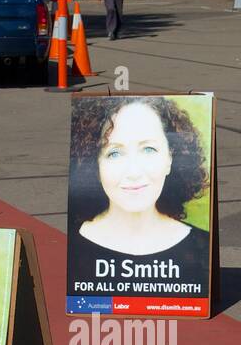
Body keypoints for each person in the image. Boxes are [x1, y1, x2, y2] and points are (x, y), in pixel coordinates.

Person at [66, 97, 210, 290]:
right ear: (95, 165)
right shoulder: (71, 250)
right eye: (114, 153)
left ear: (170, 158)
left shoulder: (204, 250)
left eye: (148, 149)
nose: (133, 172)